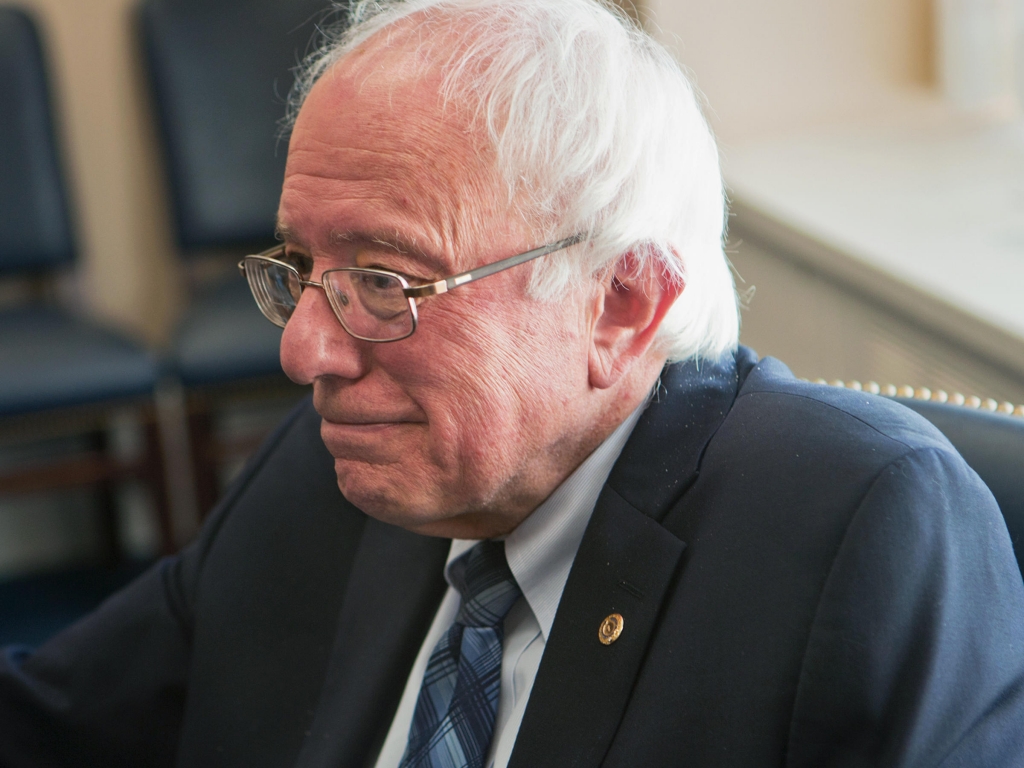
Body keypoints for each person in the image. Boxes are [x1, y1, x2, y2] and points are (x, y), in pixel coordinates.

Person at [3, 0, 1024, 766]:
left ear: (622, 301)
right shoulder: (339, 466)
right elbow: (54, 721)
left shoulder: (858, 539)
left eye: (384, 279)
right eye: (302, 271)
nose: (305, 352)